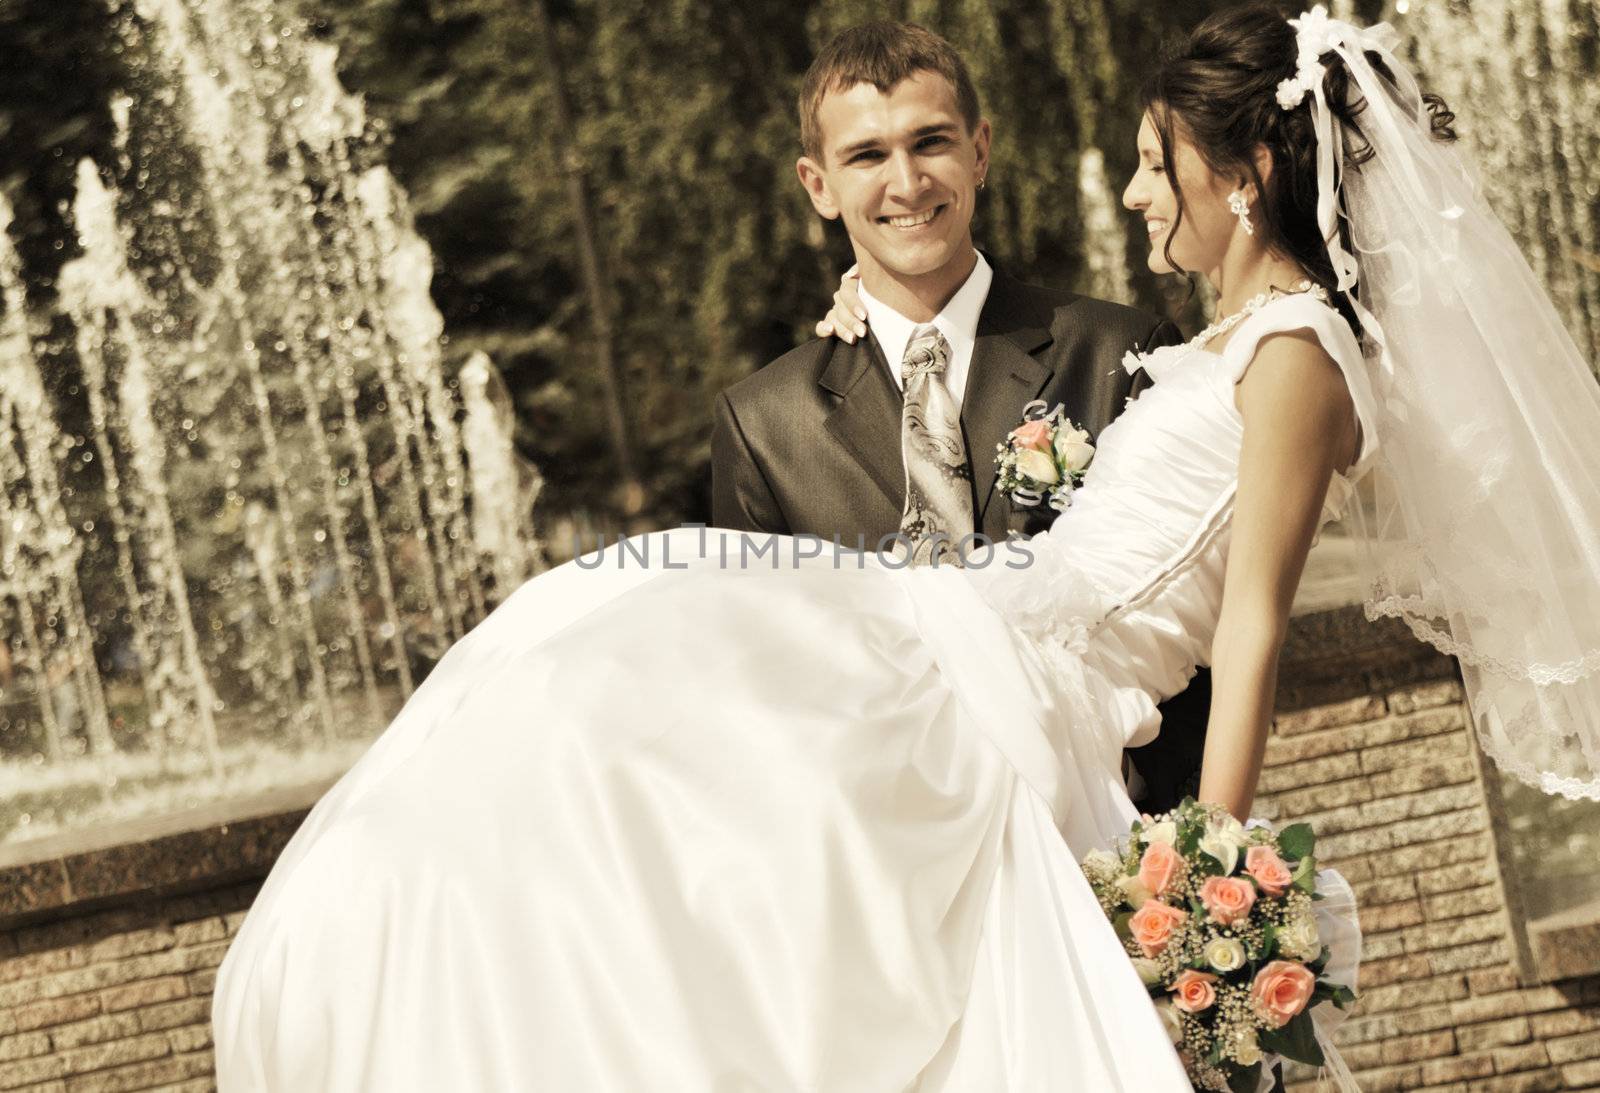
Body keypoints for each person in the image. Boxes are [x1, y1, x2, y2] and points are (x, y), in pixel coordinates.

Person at [211, 5, 1600, 1090]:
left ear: (1244, 176)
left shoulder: (1296, 355)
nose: (1128, 193)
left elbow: (1249, 631)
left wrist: (1202, 877)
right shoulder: (1230, 345)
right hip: (985, 633)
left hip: (1038, 680)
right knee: (617, 719)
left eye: (1152, 162)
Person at [710, 22, 1212, 815]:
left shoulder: (1119, 353)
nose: (906, 183)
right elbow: (767, 703)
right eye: (867, 156)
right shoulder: (766, 429)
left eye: (931, 142)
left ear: (979, 151)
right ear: (817, 184)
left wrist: (1165, 860)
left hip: (1111, 846)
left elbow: (1192, 639)